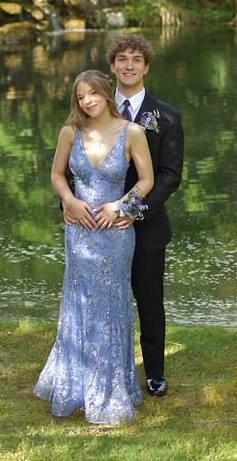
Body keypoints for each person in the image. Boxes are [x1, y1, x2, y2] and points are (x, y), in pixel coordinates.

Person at [34, 70, 154, 424]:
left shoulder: (132, 132)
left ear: (106, 93)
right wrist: (69, 201)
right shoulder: (69, 132)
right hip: (79, 231)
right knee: (80, 303)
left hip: (115, 233)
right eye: (80, 96)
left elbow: (147, 180)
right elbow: (57, 175)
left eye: (93, 94)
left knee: (112, 305)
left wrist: (121, 207)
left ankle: (111, 388)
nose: (87, 101)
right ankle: (75, 385)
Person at [102, 34, 184, 397]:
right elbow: (74, 162)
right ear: (112, 66)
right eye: (122, 59)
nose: (129, 65)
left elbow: (170, 176)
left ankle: (154, 373)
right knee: (103, 302)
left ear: (146, 67)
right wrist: (71, 205)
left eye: (136, 59)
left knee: (149, 303)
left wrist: (132, 211)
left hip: (147, 228)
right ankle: (103, 369)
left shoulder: (167, 117)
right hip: (98, 225)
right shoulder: (93, 109)